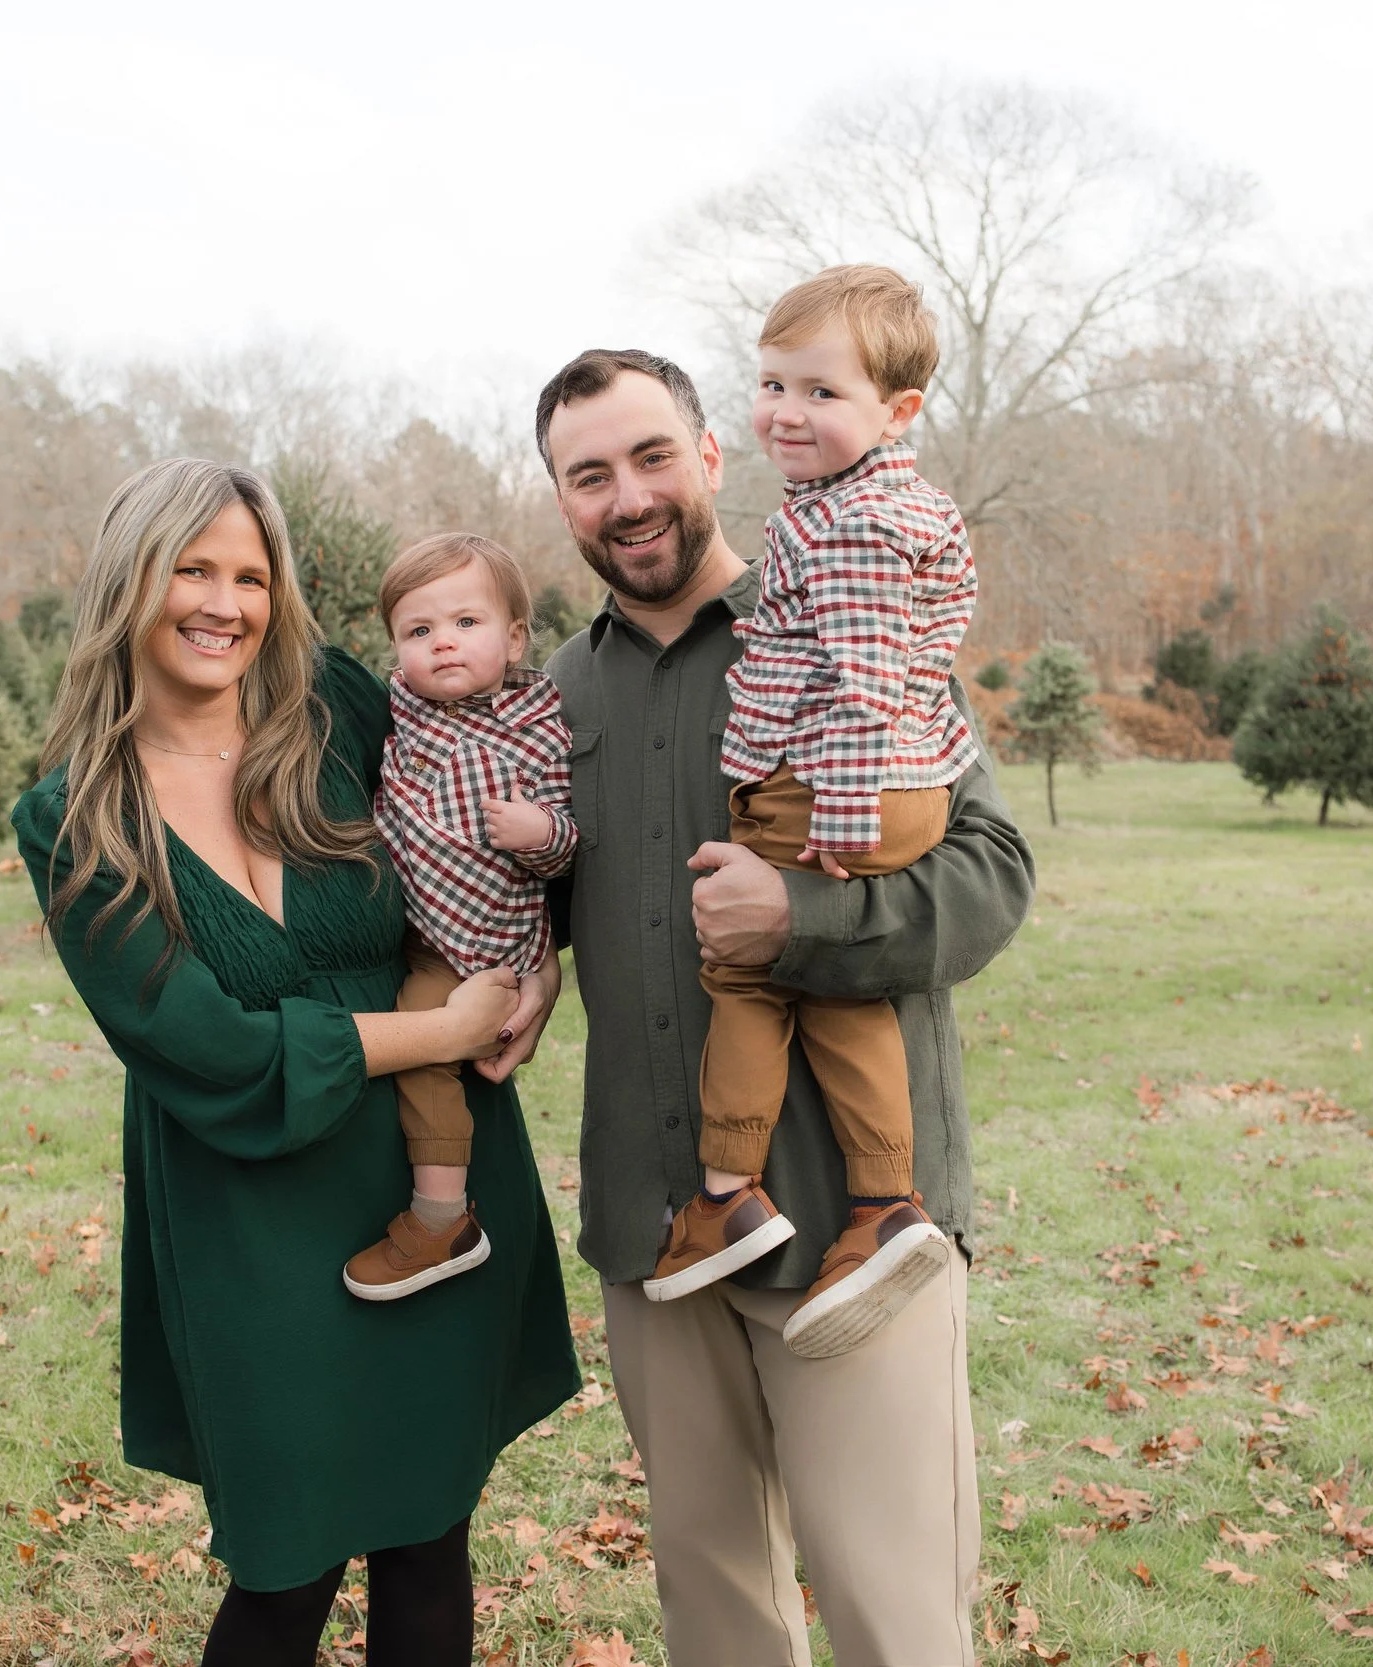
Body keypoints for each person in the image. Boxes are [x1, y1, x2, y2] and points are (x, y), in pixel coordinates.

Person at [11, 458, 579, 1667]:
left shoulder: (333, 703)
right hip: (252, 1204)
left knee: (430, 1536)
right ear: (132, 582)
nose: (224, 603)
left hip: (434, 1187)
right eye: (194, 569)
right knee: (285, 1561)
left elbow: (496, 792)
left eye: (250, 576)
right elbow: (204, 1045)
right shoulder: (76, 816)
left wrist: (542, 958)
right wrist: (433, 1030)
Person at [536, 348, 1034, 1666]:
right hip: (658, 1230)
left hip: (852, 1230)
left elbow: (991, 871)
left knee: (896, 1618)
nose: (627, 497)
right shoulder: (556, 695)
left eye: (651, 456)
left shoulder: (843, 616)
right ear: (562, 502)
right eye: (589, 476)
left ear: (711, 455)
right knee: (718, 1617)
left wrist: (804, 920)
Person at [654, 266, 979, 1363]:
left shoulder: (846, 525)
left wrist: (834, 829)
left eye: (820, 392)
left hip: (842, 785)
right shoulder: (897, 504)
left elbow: (861, 680)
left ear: (897, 411)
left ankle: (725, 1188)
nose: (786, 412)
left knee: (746, 969)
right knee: (837, 996)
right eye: (771, 383)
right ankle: (885, 1201)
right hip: (899, 778)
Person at [345, 532, 576, 1299]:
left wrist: (540, 835)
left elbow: (570, 841)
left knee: (422, 1045)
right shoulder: (399, 713)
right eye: (419, 630)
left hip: (481, 938)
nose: (442, 641)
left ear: (514, 638)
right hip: (405, 921)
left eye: (466, 623)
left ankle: (440, 1214)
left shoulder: (537, 724)